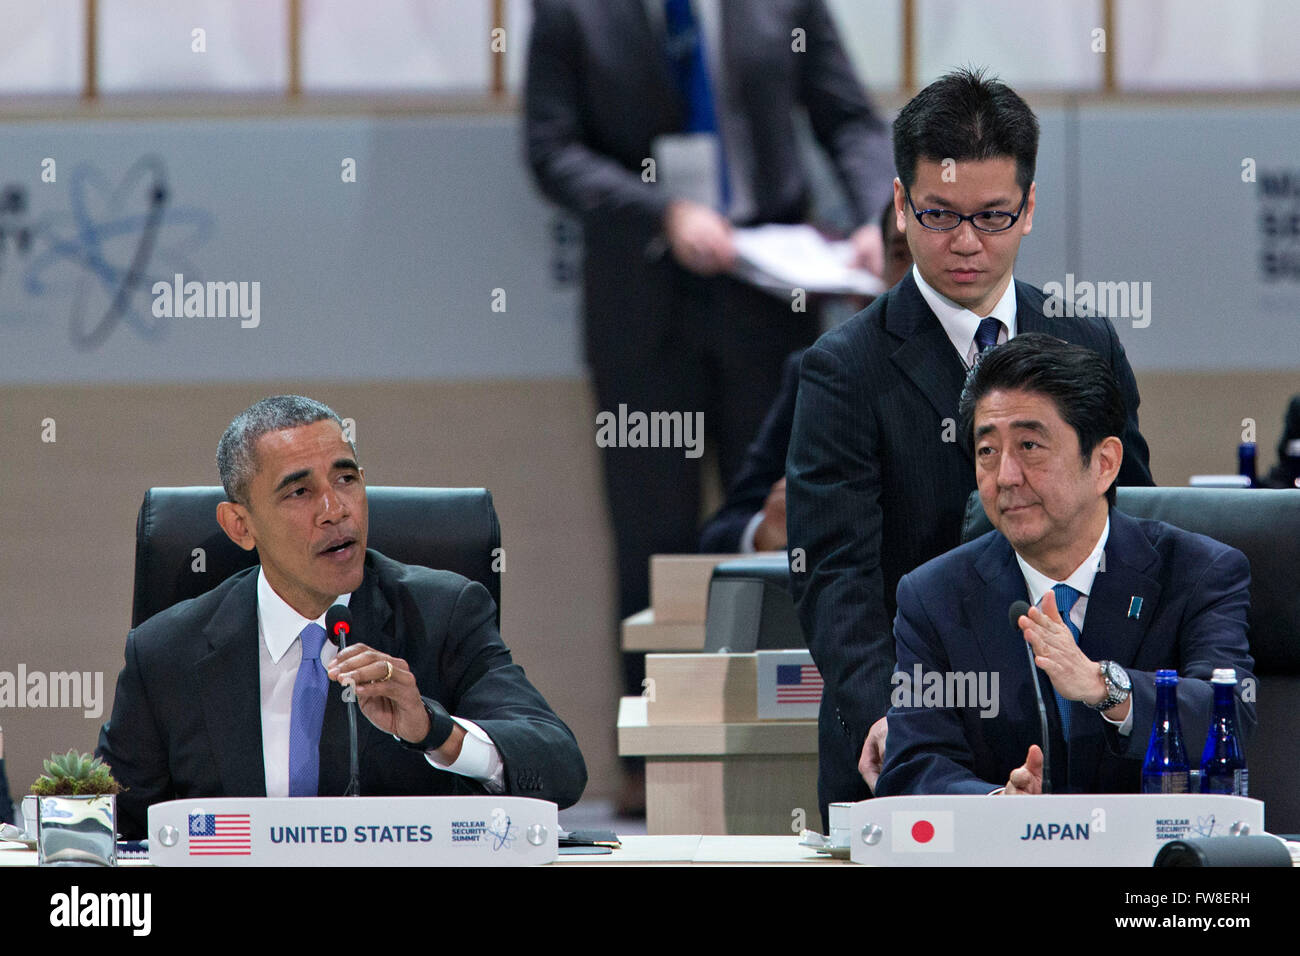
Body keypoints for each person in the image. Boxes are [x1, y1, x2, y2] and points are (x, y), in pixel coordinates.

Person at [525, 0, 895, 811]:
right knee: (651, 537)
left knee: (782, 520)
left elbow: (852, 122)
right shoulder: (574, 13)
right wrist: (663, 209)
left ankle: (804, 735)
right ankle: (652, 762)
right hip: (644, 307)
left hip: (771, 297)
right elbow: (550, 150)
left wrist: (878, 214)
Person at [785, 67, 1155, 829]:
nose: (964, 242)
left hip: (1077, 740)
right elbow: (835, 577)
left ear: (1027, 211)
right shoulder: (843, 369)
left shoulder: (1088, 344)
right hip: (912, 736)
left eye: (991, 216)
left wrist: (1121, 696)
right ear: (898, 205)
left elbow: (1135, 538)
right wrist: (896, 713)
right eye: (938, 214)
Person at [98, 396, 587, 839]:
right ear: (240, 526)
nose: (335, 509)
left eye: (346, 478)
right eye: (299, 493)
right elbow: (111, 824)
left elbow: (559, 767)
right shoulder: (165, 651)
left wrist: (435, 731)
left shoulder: (442, 615)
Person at [874, 335, 1254, 795]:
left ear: (1104, 463)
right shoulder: (934, 596)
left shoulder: (1197, 573)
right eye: (987, 451)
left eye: (1030, 445)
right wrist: (996, 805)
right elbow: (913, 763)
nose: (1006, 477)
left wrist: (1104, 686)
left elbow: (1228, 715)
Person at [699, 200, 912, 554]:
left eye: (933, 258)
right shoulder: (819, 374)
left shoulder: (1016, 372)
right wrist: (768, 531)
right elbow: (721, 535)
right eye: (902, 256)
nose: (914, 279)